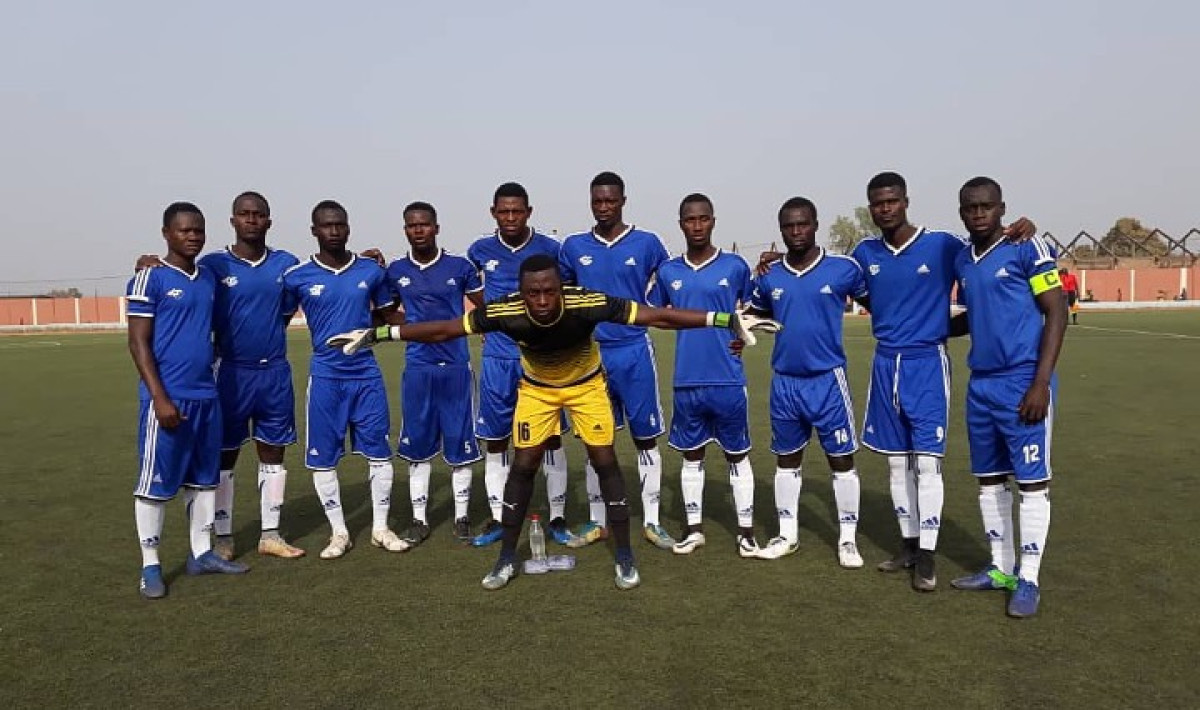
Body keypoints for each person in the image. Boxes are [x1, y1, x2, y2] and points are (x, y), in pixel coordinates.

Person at [326, 254, 780, 590]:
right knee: (522, 470)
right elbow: (444, 328)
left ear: (561, 289)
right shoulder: (505, 310)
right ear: (521, 293)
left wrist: (724, 319)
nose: (542, 301)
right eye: (532, 293)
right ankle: (506, 557)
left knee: (605, 464)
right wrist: (378, 333)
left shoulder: (587, 302)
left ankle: (623, 555)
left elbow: (658, 315)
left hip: (586, 386)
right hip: (537, 391)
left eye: (549, 291)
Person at [847, 171, 1036, 591]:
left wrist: (1022, 229)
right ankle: (909, 546)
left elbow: (984, 262)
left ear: (906, 201)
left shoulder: (943, 245)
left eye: (892, 201)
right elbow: (855, 288)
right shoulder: (864, 252)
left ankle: (929, 557)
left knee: (927, 463)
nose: (885, 209)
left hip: (927, 363)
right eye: (877, 203)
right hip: (885, 363)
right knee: (897, 463)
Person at [948, 177, 1066, 618]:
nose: (979, 214)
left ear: (1002, 208)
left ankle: (1029, 578)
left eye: (986, 207)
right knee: (990, 480)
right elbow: (973, 317)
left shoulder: (1026, 248)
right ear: (961, 212)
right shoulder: (963, 258)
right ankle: (999, 567)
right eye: (970, 208)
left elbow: (1056, 311)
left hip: (1023, 382)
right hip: (982, 384)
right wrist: (926, 328)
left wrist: (1040, 383)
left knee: (1032, 481)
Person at [127, 202, 248, 599]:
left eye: (198, 230)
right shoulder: (150, 279)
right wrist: (159, 397)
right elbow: (138, 342)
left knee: (204, 480)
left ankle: (201, 554)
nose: (192, 236)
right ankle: (150, 566)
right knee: (156, 485)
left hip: (205, 396)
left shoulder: (209, 278)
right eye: (184, 231)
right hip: (168, 398)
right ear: (166, 233)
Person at [745, 197, 869, 568]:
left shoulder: (843, 268)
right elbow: (755, 313)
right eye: (788, 226)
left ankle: (847, 539)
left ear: (815, 224)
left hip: (827, 380)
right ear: (780, 229)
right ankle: (787, 534)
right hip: (784, 381)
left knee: (841, 460)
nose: (796, 232)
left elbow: (878, 301)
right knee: (786, 461)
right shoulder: (771, 276)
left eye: (802, 224)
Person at [281, 200, 408, 559]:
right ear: (314, 231)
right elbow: (274, 320)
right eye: (326, 225)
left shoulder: (370, 271)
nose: (333, 231)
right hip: (325, 375)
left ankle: (381, 528)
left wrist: (431, 317)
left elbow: (388, 314)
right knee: (323, 459)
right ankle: (339, 533)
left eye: (340, 225)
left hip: (366, 371)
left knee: (380, 453)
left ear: (349, 228)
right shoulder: (297, 276)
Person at [559, 171, 674, 550]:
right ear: (591, 202)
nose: (604, 207)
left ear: (623, 200)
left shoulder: (647, 243)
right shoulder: (574, 247)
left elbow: (669, 280)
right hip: (590, 357)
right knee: (596, 442)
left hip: (635, 351)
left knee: (645, 439)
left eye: (610, 200)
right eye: (597, 201)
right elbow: (561, 294)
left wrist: (649, 309)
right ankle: (597, 521)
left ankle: (653, 522)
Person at [648, 193, 761, 557]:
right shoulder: (669, 271)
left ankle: (746, 533)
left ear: (713, 220)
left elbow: (757, 306)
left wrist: (744, 335)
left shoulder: (735, 266)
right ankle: (694, 529)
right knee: (691, 456)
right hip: (687, 379)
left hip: (728, 378)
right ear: (680, 223)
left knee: (737, 455)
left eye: (703, 219)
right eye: (689, 220)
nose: (696, 226)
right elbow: (654, 314)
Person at [466, 182, 572, 546]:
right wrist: (489, 318)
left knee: (552, 439)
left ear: (529, 211)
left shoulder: (551, 248)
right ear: (493, 212)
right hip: (497, 358)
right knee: (496, 441)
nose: (510, 217)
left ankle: (557, 517)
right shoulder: (479, 250)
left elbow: (565, 294)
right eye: (503, 211)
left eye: (517, 211)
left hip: (543, 359)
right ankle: (500, 517)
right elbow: (469, 289)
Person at [385, 202, 484, 544]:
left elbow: (483, 306)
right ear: (406, 230)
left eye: (424, 224)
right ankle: (419, 519)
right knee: (418, 449)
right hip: (418, 368)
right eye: (412, 225)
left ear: (436, 228)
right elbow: (385, 312)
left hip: (456, 367)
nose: (419, 230)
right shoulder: (396, 271)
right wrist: (414, 326)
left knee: (460, 447)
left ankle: (461, 517)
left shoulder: (460, 267)